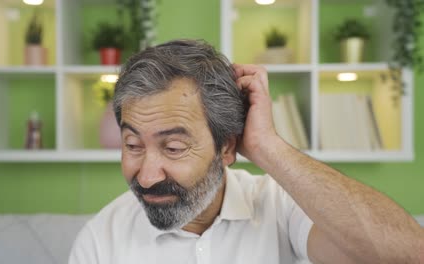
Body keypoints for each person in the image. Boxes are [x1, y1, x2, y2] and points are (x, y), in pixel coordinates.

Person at [69, 39, 424, 264]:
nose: (147, 175)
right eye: (132, 145)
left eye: (173, 147)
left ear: (225, 146)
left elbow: (407, 255)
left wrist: (267, 147)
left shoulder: (281, 207)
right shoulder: (101, 240)